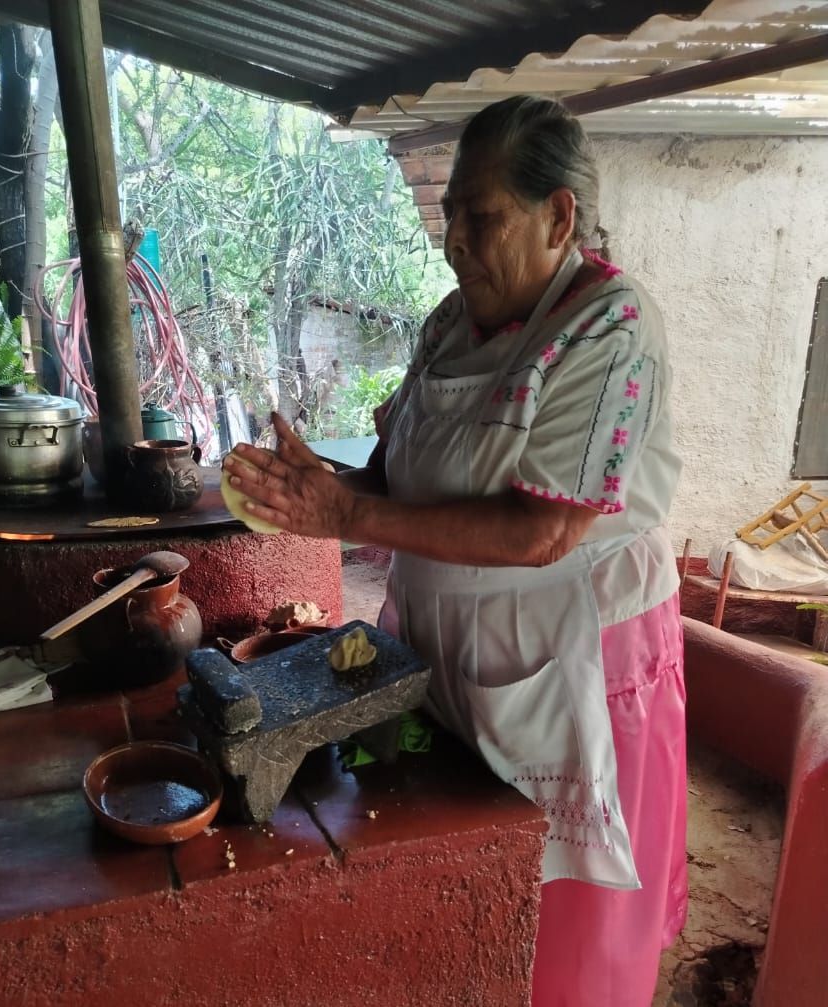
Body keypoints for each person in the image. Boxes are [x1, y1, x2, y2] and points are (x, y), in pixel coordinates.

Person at [223, 95, 686, 1007]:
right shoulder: (447, 322)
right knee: (464, 902)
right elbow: (400, 474)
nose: (456, 242)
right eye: (450, 216)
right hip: (450, 659)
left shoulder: (611, 326)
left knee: (566, 939)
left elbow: (543, 531)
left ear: (559, 216)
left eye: (483, 216)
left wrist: (346, 514)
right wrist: (325, 485)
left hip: (572, 671)